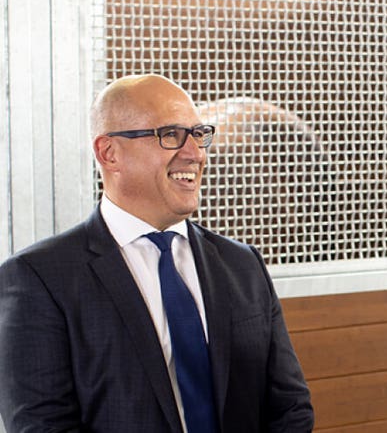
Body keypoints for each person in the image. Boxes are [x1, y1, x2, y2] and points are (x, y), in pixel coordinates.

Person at [0, 74, 314, 432]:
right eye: (170, 135)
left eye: (198, 134)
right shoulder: (38, 279)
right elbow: (42, 425)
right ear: (109, 153)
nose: (195, 153)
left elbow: (290, 407)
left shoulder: (242, 264)